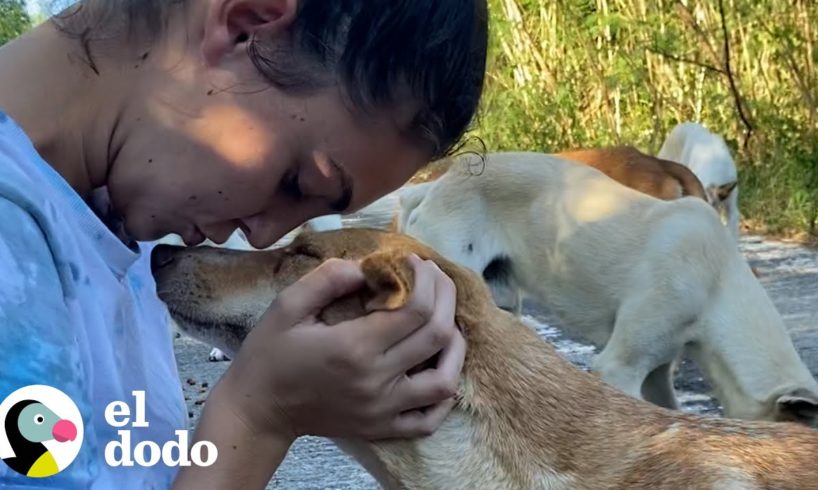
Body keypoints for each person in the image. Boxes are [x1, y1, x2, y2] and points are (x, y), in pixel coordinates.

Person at [0, 0, 488, 488]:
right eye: (296, 183)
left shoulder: (106, 219)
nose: (263, 235)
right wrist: (259, 415)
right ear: (246, 26)